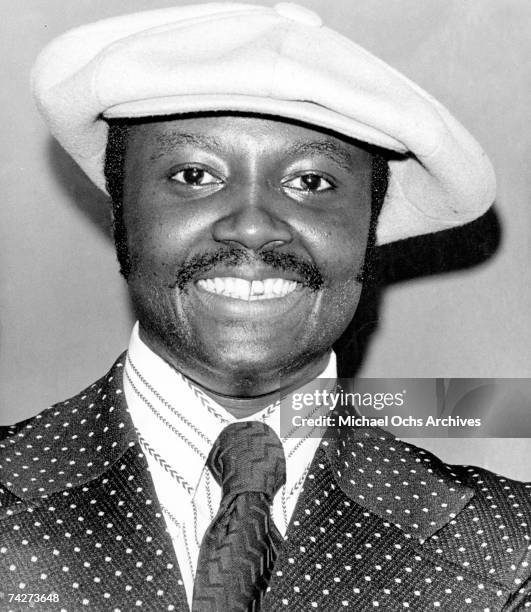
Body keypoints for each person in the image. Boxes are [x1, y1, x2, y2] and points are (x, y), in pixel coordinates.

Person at [1, 3, 529, 611]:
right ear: (122, 214)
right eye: (195, 173)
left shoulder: (510, 550)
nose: (252, 227)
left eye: (311, 182)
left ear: (369, 229)